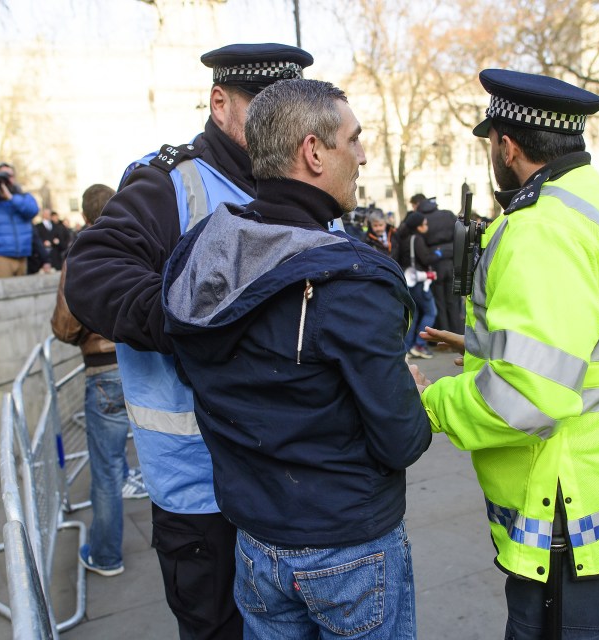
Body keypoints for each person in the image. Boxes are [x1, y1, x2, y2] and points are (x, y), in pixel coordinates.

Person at [414, 69, 599, 639]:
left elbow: (526, 397)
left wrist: (432, 401)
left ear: (506, 145)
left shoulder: (542, 228)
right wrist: (488, 348)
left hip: (579, 519)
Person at [162, 77, 431, 640]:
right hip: (348, 547)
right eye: (352, 141)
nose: (361, 157)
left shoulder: (204, 251)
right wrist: (409, 394)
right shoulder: (352, 278)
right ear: (313, 152)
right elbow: (402, 439)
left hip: (257, 543)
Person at [64, 43, 313, 640]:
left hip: (292, 478)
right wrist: (201, 326)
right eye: (264, 109)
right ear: (220, 103)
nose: (281, 126)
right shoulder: (167, 183)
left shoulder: (302, 181)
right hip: (202, 492)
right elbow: (93, 273)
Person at [51, 184, 147, 578]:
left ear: (87, 217)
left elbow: (65, 324)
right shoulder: (141, 240)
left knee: (106, 470)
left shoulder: (81, 254)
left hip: (104, 370)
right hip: (142, 364)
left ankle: (106, 554)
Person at [395, 210, 438, 359]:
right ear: (418, 226)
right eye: (425, 224)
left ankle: (408, 347)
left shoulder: (403, 239)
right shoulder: (417, 239)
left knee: (415, 313)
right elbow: (425, 259)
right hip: (420, 280)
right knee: (431, 312)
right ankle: (420, 345)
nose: (427, 226)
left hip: (409, 281)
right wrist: (438, 254)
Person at [418, 197, 464, 334]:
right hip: (452, 260)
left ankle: (443, 336)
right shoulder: (448, 215)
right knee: (453, 301)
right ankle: (457, 333)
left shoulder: (423, 219)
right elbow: (459, 233)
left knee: (439, 301)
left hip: (435, 262)